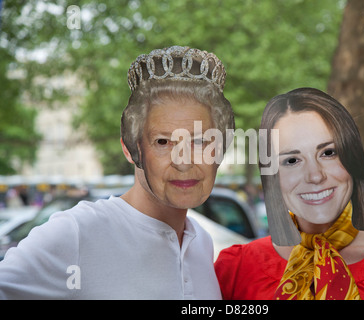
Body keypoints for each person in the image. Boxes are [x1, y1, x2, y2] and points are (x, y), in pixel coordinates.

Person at [0, 46, 235, 299]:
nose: (184, 161)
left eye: (200, 141)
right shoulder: (77, 232)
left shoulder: (201, 243)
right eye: (163, 142)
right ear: (130, 149)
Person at [214, 87, 364, 300]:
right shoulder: (235, 269)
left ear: (353, 159)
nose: (315, 176)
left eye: (328, 153)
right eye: (292, 160)